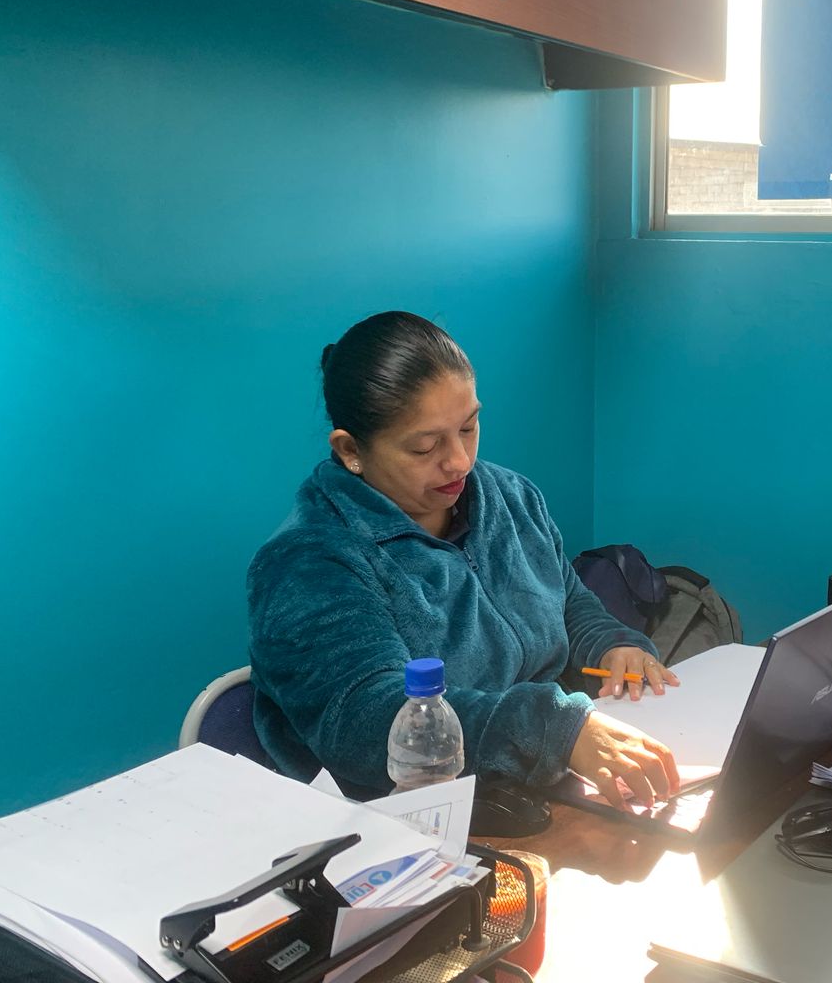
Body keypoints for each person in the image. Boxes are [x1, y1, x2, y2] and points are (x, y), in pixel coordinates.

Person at [248, 311, 681, 810]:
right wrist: (552, 729)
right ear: (351, 451)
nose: (459, 461)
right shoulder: (308, 561)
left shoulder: (511, 497)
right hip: (396, 817)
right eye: (425, 447)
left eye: (469, 427)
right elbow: (365, 720)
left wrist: (610, 644)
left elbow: (567, 599)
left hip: (530, 784)